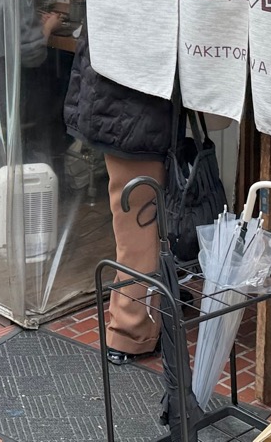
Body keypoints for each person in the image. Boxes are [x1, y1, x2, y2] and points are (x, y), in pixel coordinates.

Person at [64, 24, 174, 365]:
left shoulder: (110, 4)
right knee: (138, 227)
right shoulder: (135, 10)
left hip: (116, 113)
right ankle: (130, 333)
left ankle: (146, 311)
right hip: (133, 118)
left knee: (136, 223)